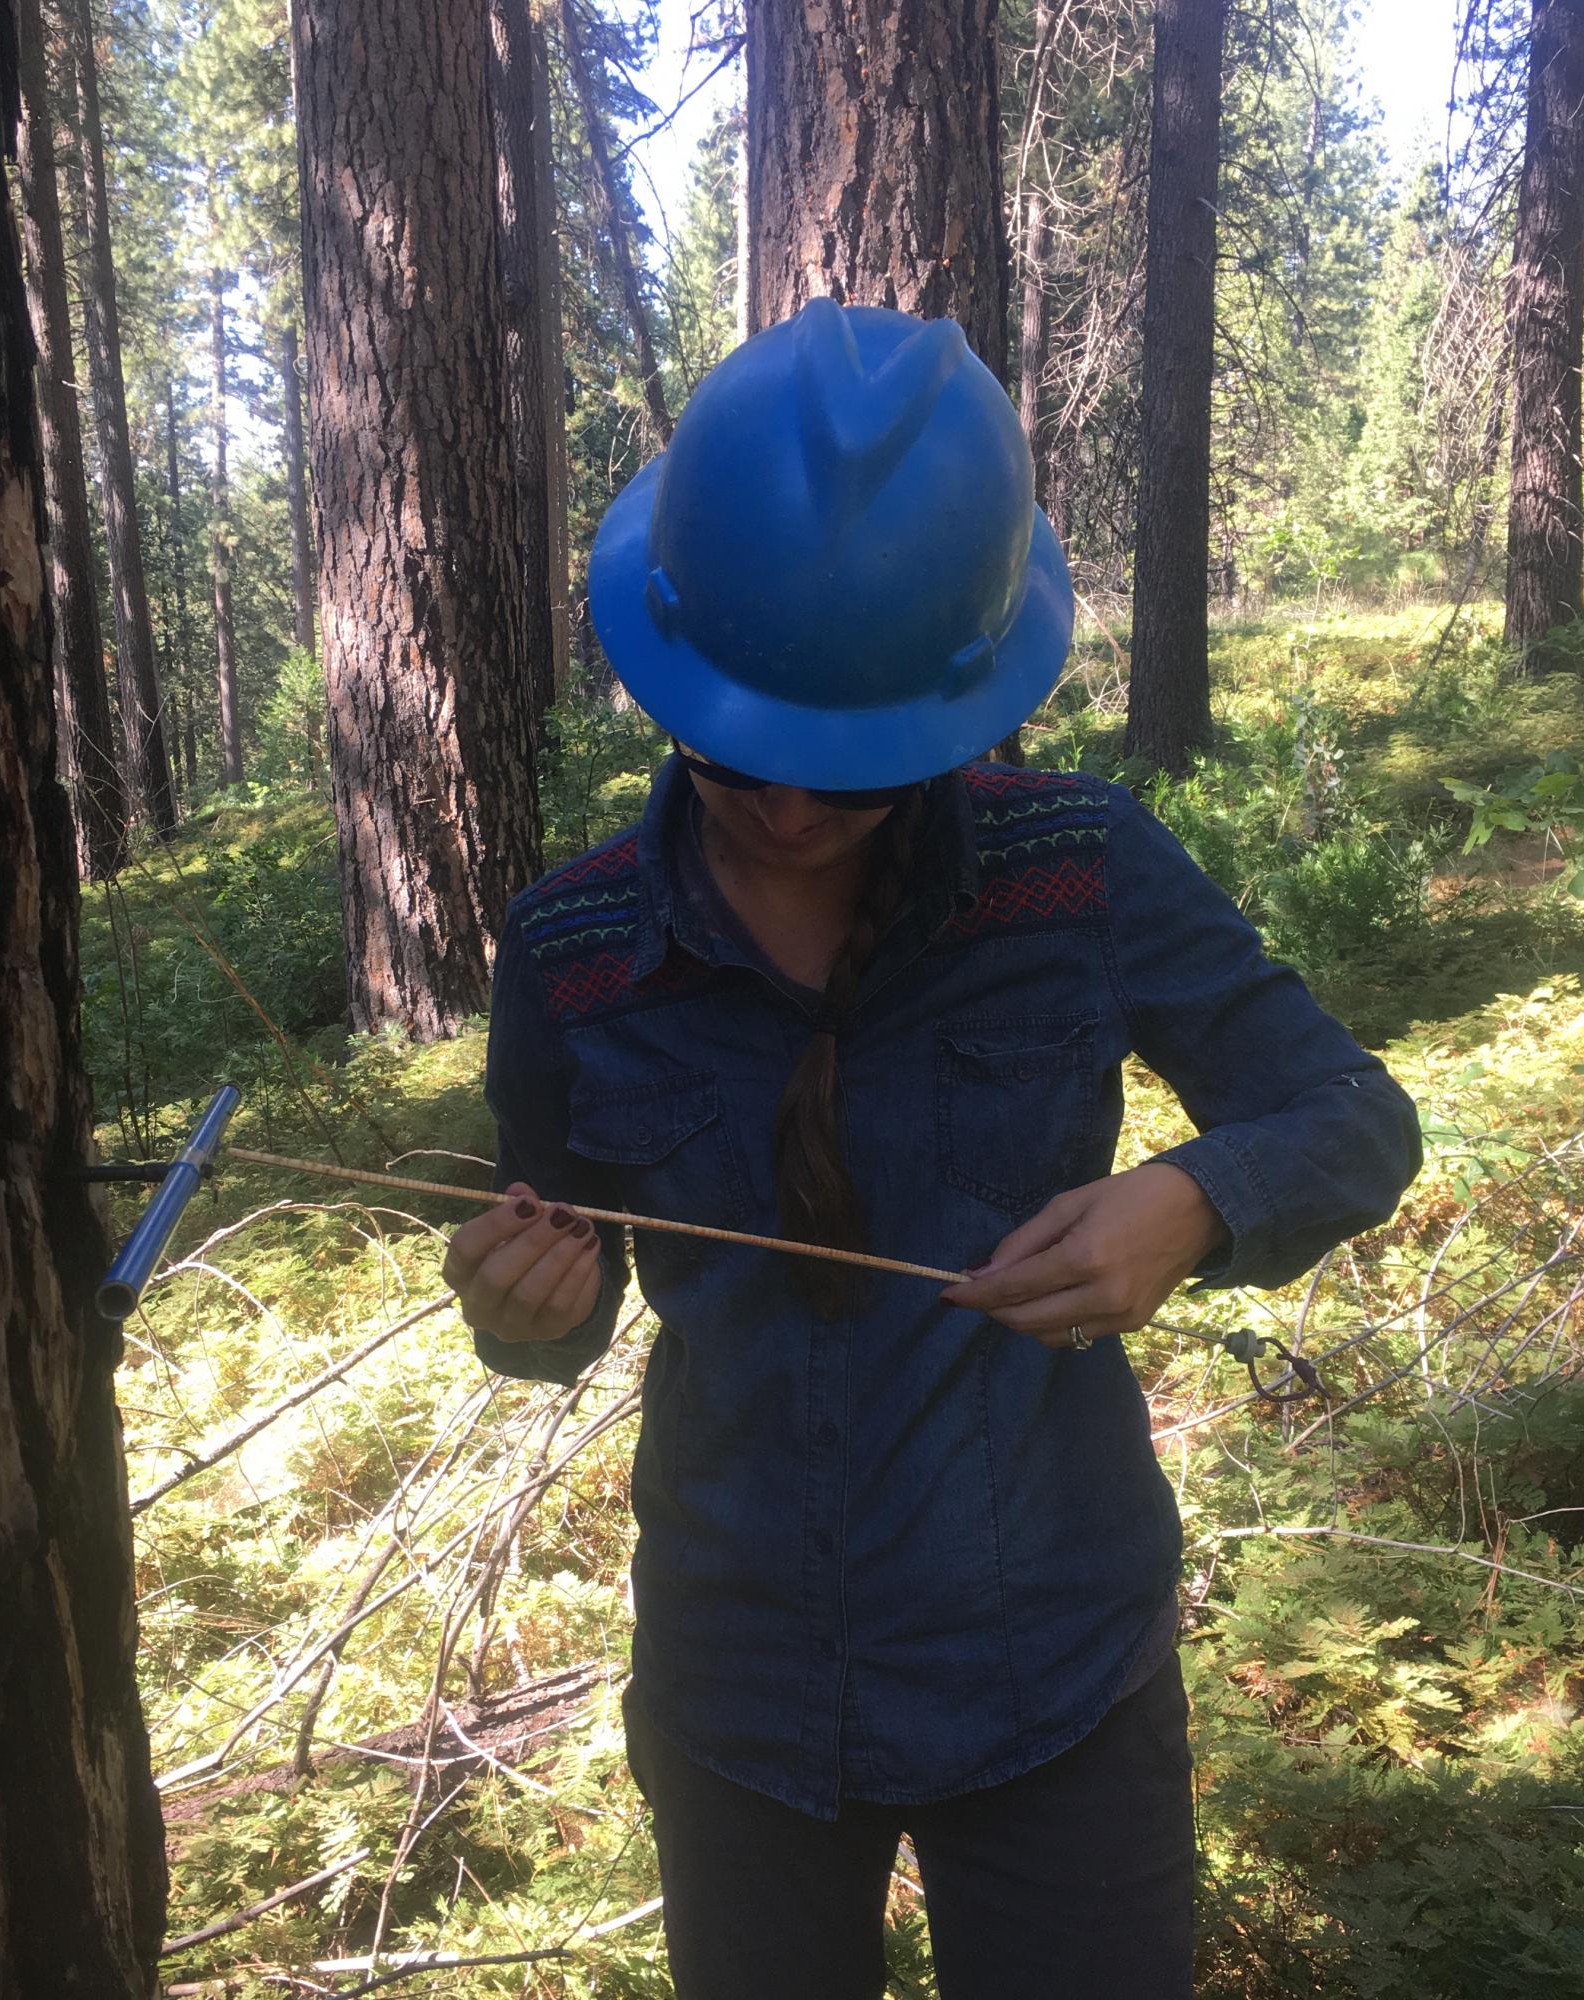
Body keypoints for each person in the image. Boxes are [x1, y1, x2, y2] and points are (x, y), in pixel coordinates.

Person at [442, 300, 1421, 1999]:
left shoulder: (1081, 869)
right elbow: (561, 1288)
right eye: (746, 751)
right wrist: (522, 1314)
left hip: (1055, 1671)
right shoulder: (572, 945)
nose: (797, 812)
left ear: (958, 698)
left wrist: (1191, 1205)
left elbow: (1352, 1117)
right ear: (673, 659)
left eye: (861, 767)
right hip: (737, 1687)